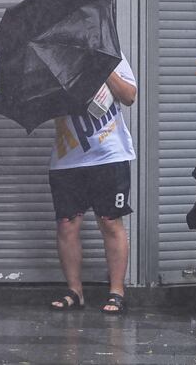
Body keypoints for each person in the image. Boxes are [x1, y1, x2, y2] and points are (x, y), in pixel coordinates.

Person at [48, 53, 136, 314]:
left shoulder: (111, 54)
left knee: (110, 221)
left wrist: (103, 67)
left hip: (110, 155)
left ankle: (117, 292)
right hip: (67, 158)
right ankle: (74, 291)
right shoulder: (51, 59)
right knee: (67, 225)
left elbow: (129, 96)